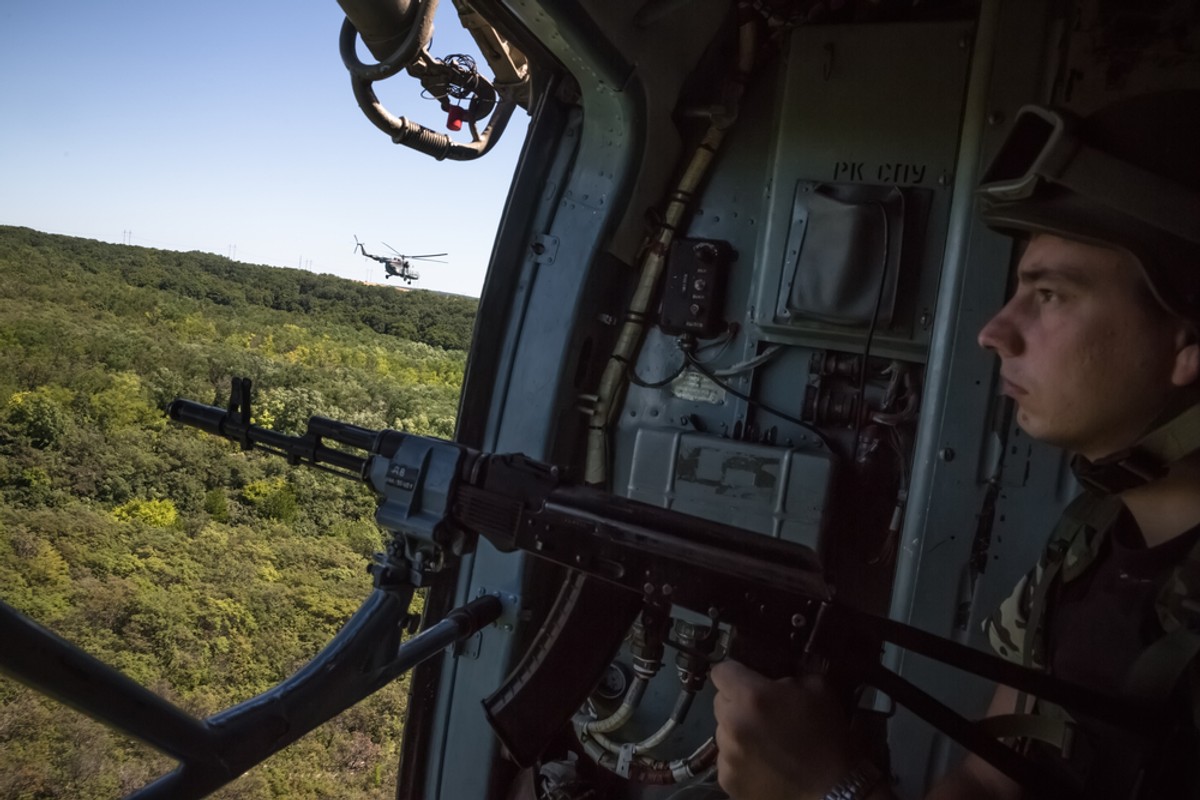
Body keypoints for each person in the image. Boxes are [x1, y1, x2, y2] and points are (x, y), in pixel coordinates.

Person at [710, 88, 1200, 800]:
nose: (994, 332)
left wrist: (834, 791)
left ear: (1187, 340)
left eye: (1052, 294)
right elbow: (990, 781)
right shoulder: (1088, 541)